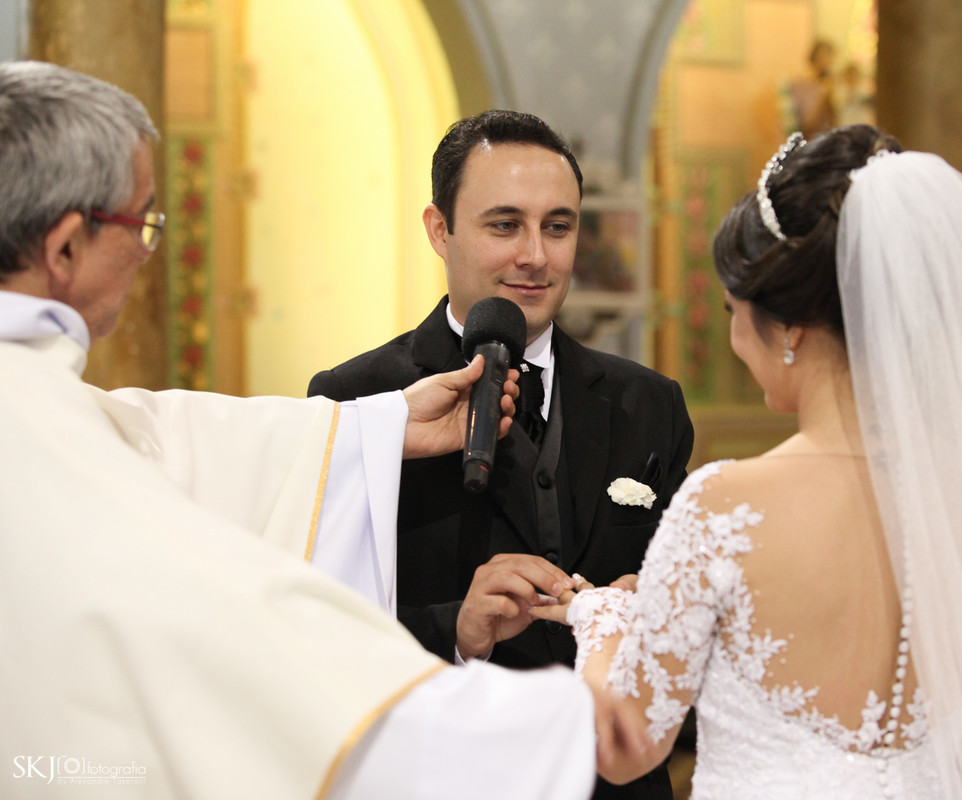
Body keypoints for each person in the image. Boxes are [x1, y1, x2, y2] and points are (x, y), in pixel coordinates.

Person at [0, 61, 649, 799]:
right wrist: (549, 725)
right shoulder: (40, 440)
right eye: (145, 221)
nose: (150, 252)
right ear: (63, 248)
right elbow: (233, 628)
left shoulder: (41, 408)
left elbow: (168, 434)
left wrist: (376, 432)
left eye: (558, 227)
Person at [534, 125, 962, 798]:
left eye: (734, 311)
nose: (733, 338)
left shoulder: (724, 506)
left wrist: (602, 622)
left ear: (789, 330)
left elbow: (624, 749)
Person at [309, 111, 693, 799]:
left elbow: (688, 628)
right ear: (439, 230)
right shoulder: (356, 400)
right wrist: (457, 629)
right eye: (504, 225)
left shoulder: (648, 403)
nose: (535, 257)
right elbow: (319, 632)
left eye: (557, 226)